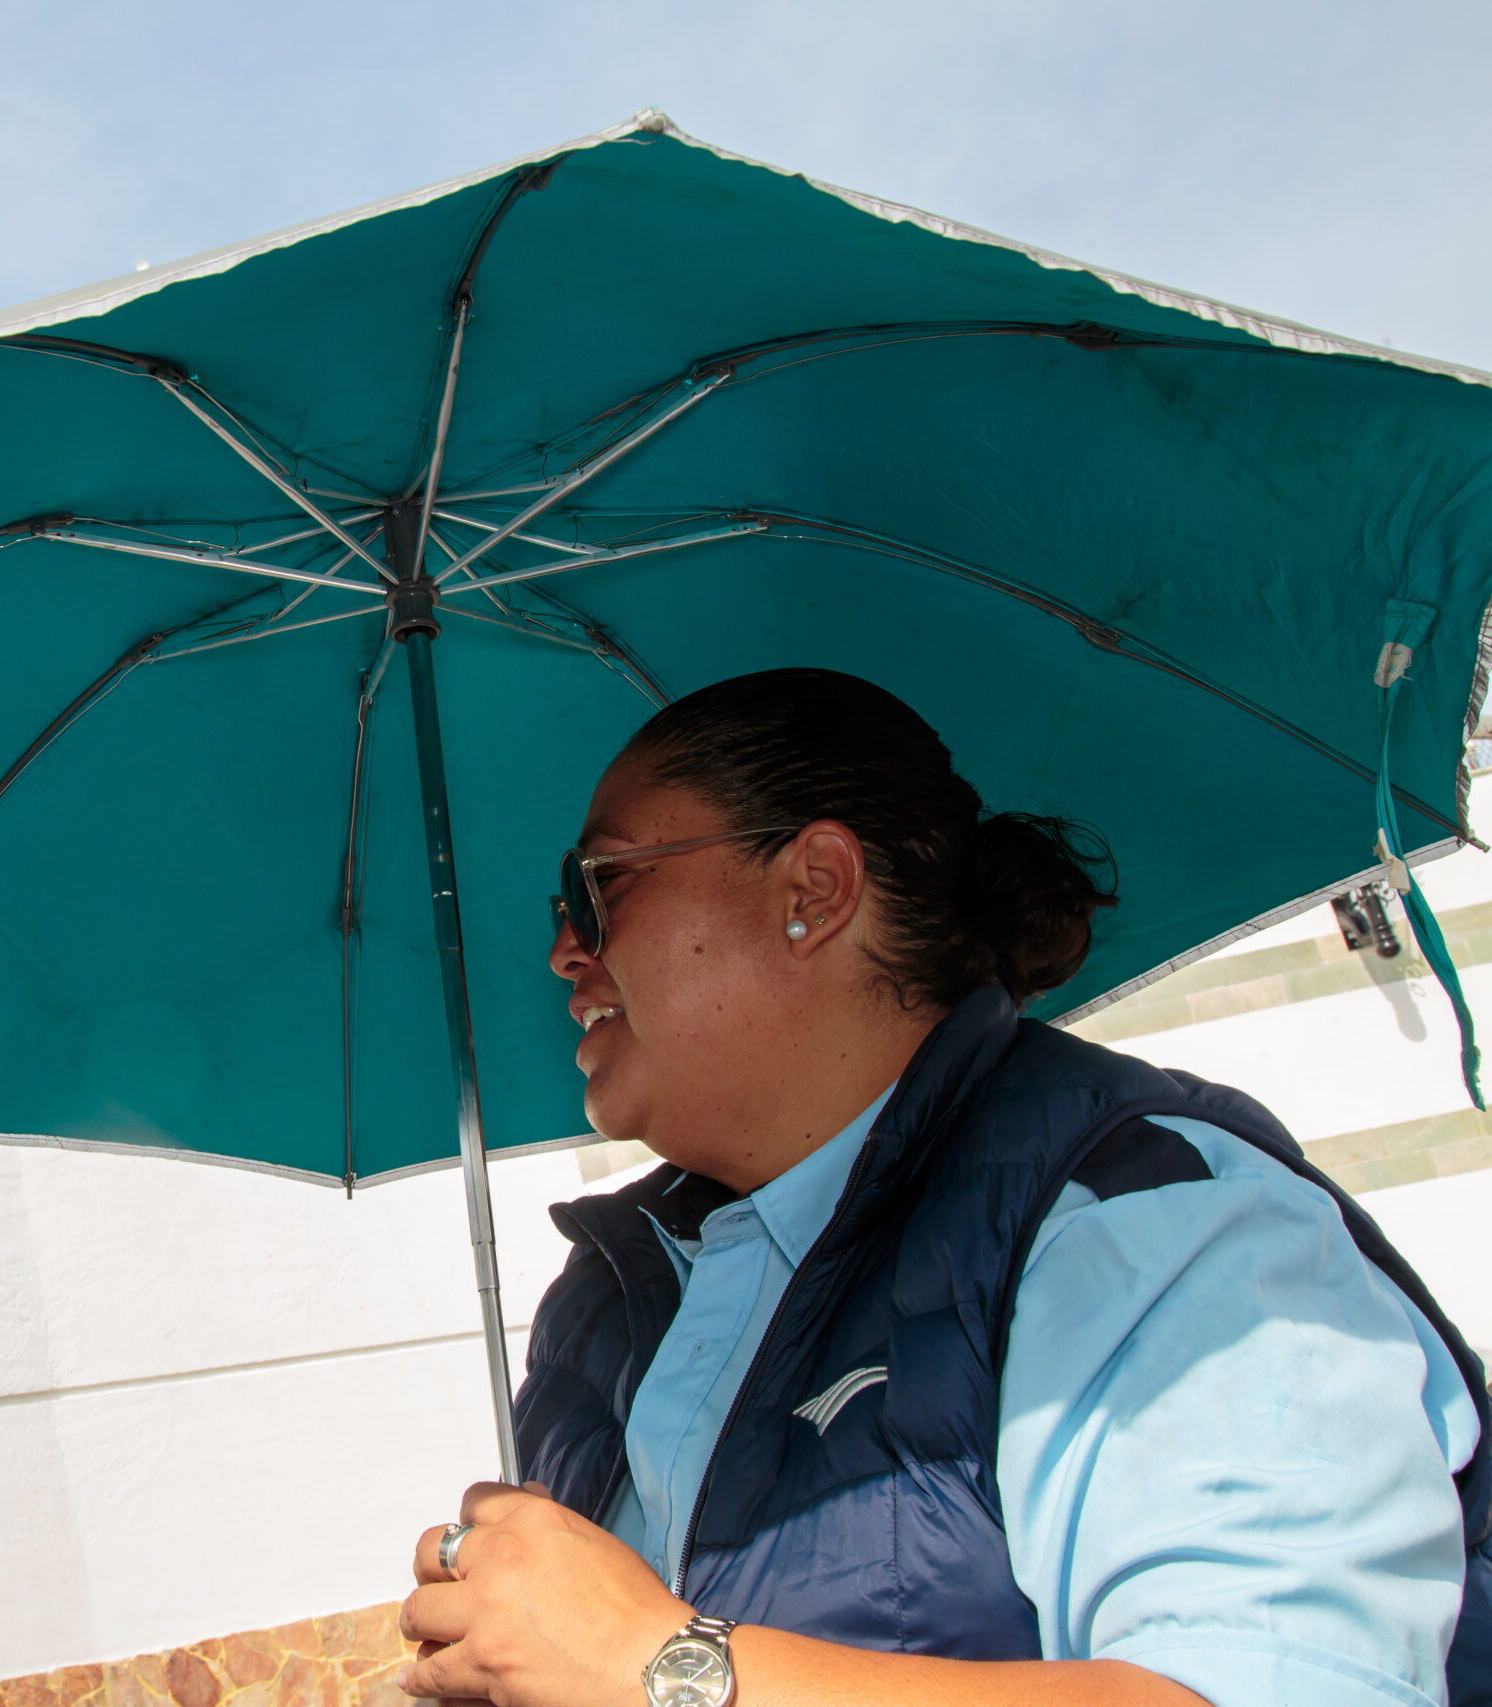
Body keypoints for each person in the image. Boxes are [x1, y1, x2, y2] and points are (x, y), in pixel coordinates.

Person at [399, 669, 1492, 1707]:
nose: (560, 951)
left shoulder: (1142, 1220)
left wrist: (664, 1669)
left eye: (598, 889)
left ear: (813, 891)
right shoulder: (603, 1306)